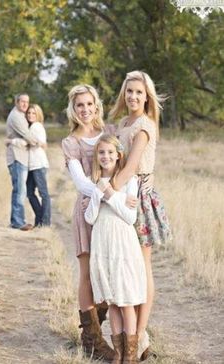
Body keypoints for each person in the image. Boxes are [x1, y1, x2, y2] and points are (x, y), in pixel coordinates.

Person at [108, 70, 171, 360]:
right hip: (122, 195)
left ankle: (140, 335)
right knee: (125, 265)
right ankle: (126, 332)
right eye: (129, 91)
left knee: (143, 266)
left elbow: (131, 166)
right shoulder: (122, 123)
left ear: (147, 97)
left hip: (138, 199)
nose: (133, 96)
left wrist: (105, 192)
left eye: (139, 92)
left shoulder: (145, 126)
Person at [61, 85, 115, 361]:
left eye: (89, 104)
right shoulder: (71, 142)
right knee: (86, 272)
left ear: (96, 106)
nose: (84, 110)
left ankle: (102, 329)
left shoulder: (109, 134)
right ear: (74, 109)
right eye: (79, 105)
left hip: (112, 211)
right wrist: (106, 190)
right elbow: (82, 183)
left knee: (107, 270)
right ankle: (92, 339)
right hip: (87, 210)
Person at [85, 134, 147, 364]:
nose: (106, 156)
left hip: (122, 245)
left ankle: (130, 354)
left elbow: (130, 216)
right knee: (111, 301)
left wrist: (110, 195)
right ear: (97, 156)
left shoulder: (129, 182)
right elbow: (90, 217)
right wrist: (98, 194)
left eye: (110, 152)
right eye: (101, 152)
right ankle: (118, 351)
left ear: (119, 154)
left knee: (126, 299)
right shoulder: (96, 182)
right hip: (103, 245)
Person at [6, 93, 38, 231]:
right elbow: (29, 137)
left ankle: (16, 220)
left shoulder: (21, 116)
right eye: (22, 102)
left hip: (21, 157)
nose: (25, 104)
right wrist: (35, 141)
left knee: (19, 190)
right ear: (16, 102)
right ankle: (18, 222)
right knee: (20, 190)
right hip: (17, 157)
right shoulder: (16, 117)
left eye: (27, 102)